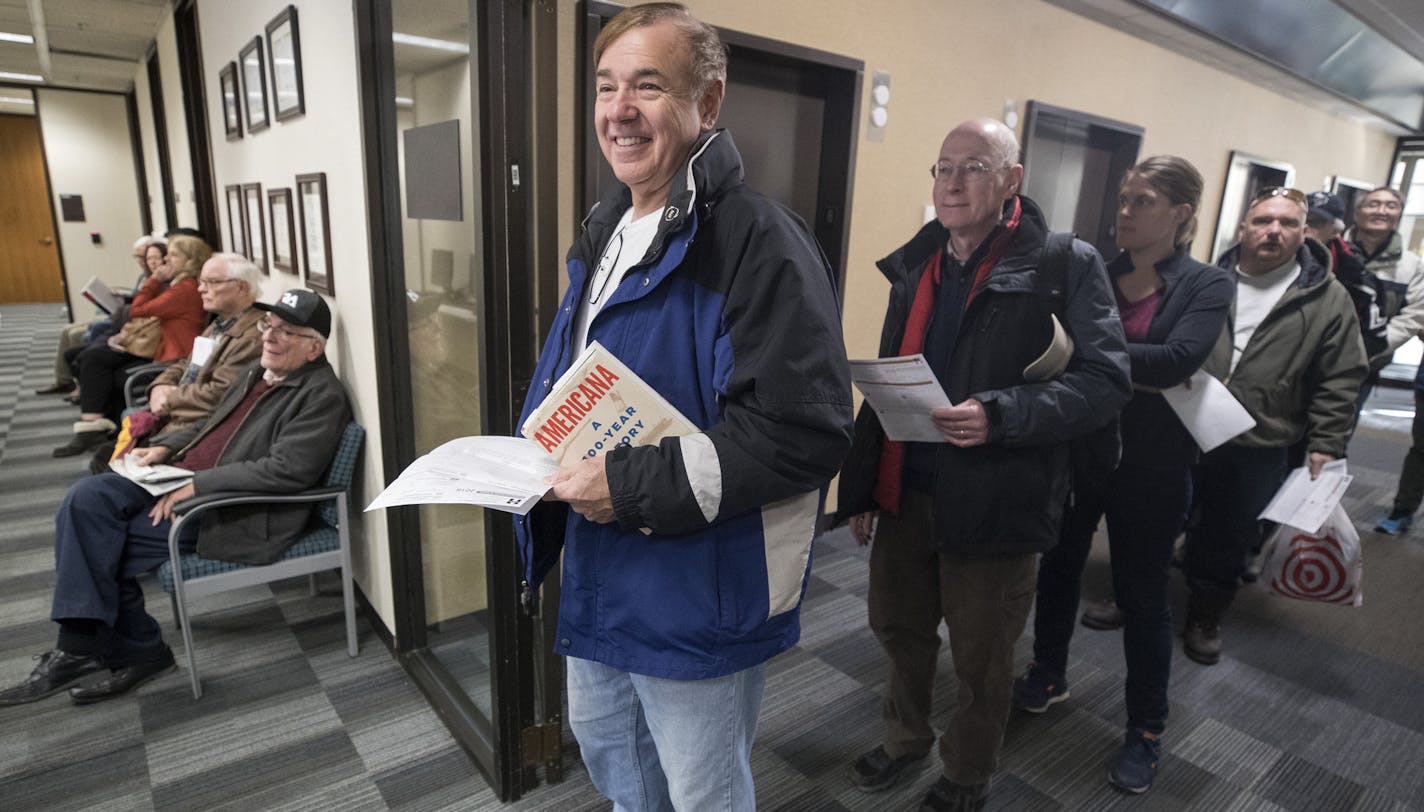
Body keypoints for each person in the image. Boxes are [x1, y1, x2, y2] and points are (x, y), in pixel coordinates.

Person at [513, 5, 853, 810]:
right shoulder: (604, 233)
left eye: (648, 85)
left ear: (709, 102)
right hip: (601, 571)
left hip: (697, 590)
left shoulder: (757, 241)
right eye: (606, 86)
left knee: (700, 794)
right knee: (619, 774)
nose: (618, 109)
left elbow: (802, 434)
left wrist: (625, 486)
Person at [836, 118, 1130, 811]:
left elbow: (1105, 382)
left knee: (983, 655)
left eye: (974, 166)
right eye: (943, 167)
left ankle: (967, 772)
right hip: (908, 487)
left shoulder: (1063, 264)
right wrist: (863, 486)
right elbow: (890, 381)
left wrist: (1003, 414)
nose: (954, 182)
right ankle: (905, 738)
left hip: (1000, 496)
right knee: (900, 630)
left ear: (1011, 181)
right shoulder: (917, 262)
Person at [0, 289, 348, 707]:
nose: (270, 338)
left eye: (286, 332)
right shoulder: (258, 370)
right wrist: (164, 448)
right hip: (175, 475)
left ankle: (117, 650)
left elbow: (287, 470)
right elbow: (210, 425)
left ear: (315, 346)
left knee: (103, 544)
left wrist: (198, 487)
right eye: (268, 326)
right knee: (85, 498)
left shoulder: (321, 396)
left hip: (230, 507)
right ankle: (101, 648)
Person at [1014, 156, 1233, 794]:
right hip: (1082, 447)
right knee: (1057, 570)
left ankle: (1146, 728)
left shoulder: (1205, 284)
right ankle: (1048, 673)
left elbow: (1177, 360)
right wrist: (1121, 366)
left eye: (1143, 201)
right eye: (1125, 200)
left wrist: (1094, 358)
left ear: (1182, 214)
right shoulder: (1097, 271)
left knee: (1141, 599)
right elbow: (1053, 345)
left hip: (1155, 465)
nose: (1126, 212)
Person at [1181, 187, 1366, 665]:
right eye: (1263, 220)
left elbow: (1340, 377)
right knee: (1160, 513)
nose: (1273, 231)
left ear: (1305, 232)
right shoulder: (1206, 280)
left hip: (1259, 437)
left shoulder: (1326, 298)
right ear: (1243, 228)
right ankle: (1131, 594)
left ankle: (1205, 613)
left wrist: (1326, 443)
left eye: (1287, 223)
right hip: (1185, 423)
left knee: (1229, 531)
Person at [56, 235, 208, 457]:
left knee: (103, 364)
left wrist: (154, 279)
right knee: (100, 362)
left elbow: (137, 309)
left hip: (174, 353)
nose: (166, 260)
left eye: (173, 255)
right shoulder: (180, 285)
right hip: (162, 346)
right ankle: (102, 426)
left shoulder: (184, 289)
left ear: (190, 260)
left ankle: (99, 427)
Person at [37, 235, 156, 396]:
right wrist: (121, 296)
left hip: (127, 318)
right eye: (139, 256)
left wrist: (127, 301)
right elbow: (137, 298)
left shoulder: (154, 279)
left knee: (80, 333)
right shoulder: (144, 275)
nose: (142, 261)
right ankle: (64, 380)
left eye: (144, 257)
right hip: (120, 312)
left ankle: (79, 385)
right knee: (67, 329)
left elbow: (142, 306)